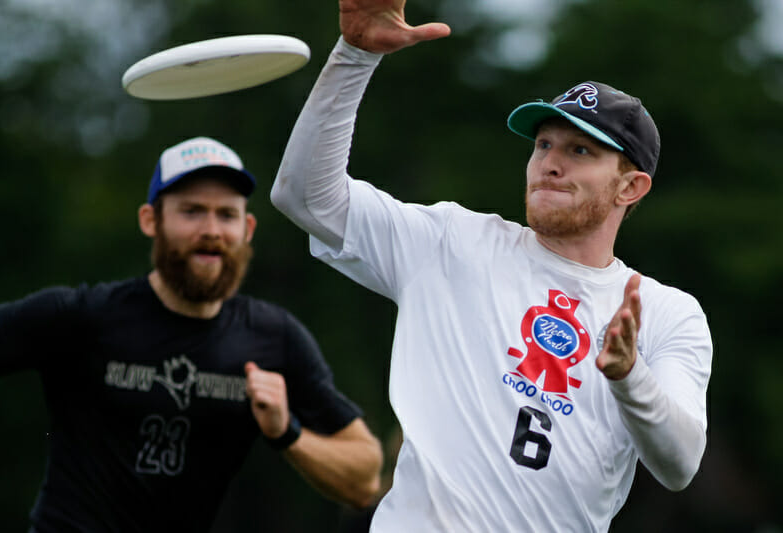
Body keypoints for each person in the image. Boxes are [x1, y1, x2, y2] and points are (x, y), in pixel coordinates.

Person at [270, 1, 712, 531]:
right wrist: (355, 55)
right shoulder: (454, 242)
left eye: (579, 151)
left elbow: (680, 465)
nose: (550, 161)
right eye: (544, 143)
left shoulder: (666, 313)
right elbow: (305, 198)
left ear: (631, 186)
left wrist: (628, 373)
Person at [0, 136, 383, 532]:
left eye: (226, 215)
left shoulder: (273, 338)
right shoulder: (81, 317)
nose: (211, 230)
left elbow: (364, 479)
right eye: (191, 211)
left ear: (247, 228)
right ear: (150, 220)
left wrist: (287, 432)